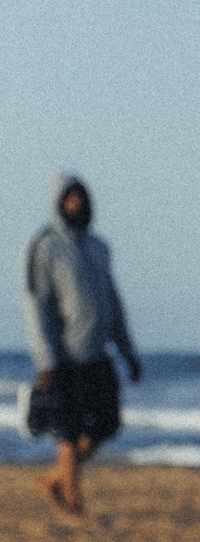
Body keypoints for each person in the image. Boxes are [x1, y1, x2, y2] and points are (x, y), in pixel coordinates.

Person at [21, 174, 142, 515]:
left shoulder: (98, 247)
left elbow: (113, 302)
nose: (76, 204)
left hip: (98, 354)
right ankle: (74, 505)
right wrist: (46, 360)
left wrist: (128, 351)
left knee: (106, 425)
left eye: (80, 197)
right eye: (69, 198)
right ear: (58, 202)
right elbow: (36, 305)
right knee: (68, 433)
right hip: (63, 358)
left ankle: (53, 480)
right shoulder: (45, 247)